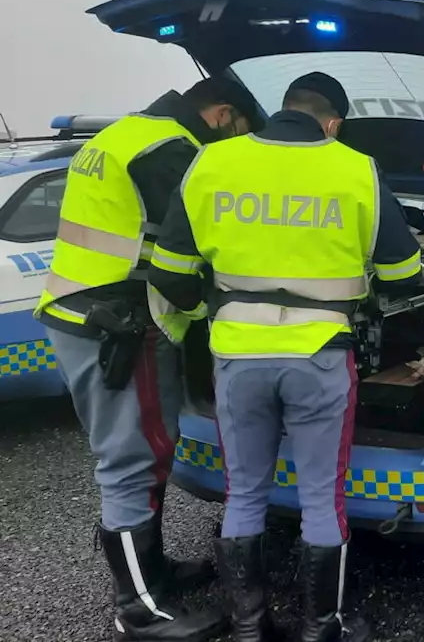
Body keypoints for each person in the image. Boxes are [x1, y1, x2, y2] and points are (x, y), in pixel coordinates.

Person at [149, 72, 424, 642]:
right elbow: (402, 274)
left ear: (283, 110)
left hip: (237, 354)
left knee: (244, 491)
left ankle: (251, 629)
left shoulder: (213, 164)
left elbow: (170, 273)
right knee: (323, 496)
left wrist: (216, 311)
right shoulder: (355, 168)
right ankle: (321, 627)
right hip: (320, 354)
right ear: (332, 122)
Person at [34, 77, 261, 641]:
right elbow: (198, 243)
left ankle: (153, 571)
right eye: (238, 137)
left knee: (146, 449)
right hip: (120, 322)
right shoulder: (169, 150)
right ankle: (138, 607)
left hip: (83, 310)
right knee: (130, 459)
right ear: (223, 115)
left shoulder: (124, 134)